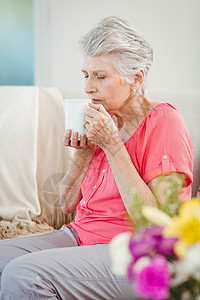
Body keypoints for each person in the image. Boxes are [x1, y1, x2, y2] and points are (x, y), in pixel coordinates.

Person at [0, 16, 193, 299]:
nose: (88, 87)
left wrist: (113, 146)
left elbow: (159, 226)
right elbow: (66, 204)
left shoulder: (164, 120)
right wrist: (84, 153)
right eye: (85, 75)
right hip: (80, 235)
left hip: (136, 252)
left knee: (26, 275)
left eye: (100, 76)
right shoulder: (106, 121)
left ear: (136, 78)